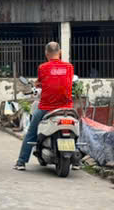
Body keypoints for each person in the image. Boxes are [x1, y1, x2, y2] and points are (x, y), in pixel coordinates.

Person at [15, 41, 74, 171]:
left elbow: (40, 82)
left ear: (46, 53)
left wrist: (37, 84)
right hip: (67, 108)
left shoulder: (43, 67)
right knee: (77, 129)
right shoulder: (69, 67)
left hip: (46, 107)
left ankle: (21, 162)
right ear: (60, 52)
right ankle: (77, 161)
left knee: (31, 133)